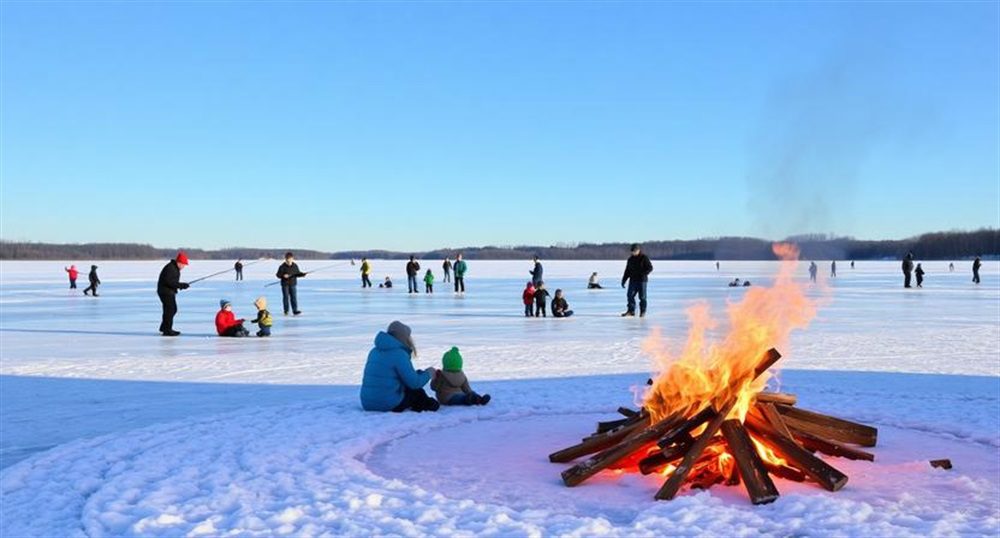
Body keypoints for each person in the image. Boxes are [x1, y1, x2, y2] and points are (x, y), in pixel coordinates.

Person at [360, 321, 439, 412]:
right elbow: (414, 383)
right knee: (416, 392)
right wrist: (429, 373)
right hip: (387, 404)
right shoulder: (399, 354)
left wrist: (419, 374)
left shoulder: (374, 351)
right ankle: (429, 405)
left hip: (367, 403)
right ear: (403, 337)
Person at [157, 252, 190, 336]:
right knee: (170, 310)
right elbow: (169, 282)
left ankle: (164, 327)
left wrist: (181, 286)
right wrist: (181, 285)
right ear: (179, 262)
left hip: (168, 291)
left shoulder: (174, 268)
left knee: (171, 310)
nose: (183, 266)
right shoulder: (170, 268)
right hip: (165, 292)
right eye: (183, 264)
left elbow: (172, 282)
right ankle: (167, 330)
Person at [621, 243, 653, 317]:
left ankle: (643, 311)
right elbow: (627, 271)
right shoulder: (630, 259)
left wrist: (643, 273)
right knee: (630, 295)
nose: (633, 252)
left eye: (635, 251)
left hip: (642, 281)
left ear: (638, 250)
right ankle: (631, 311)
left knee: (642, 297)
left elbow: (650, 268)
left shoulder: (644, 258)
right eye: (632, 251)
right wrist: (624, 280)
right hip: (633, 280)